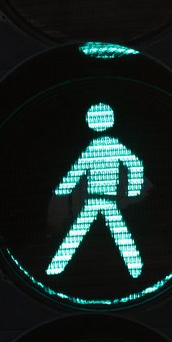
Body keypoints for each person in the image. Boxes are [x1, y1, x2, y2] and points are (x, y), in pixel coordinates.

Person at [49, 102, 146, 277]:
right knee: (117, 234)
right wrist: (133, 191)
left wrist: (62, 190)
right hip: (101, 199)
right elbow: (135, 164)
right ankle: (136, 270)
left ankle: (56, 269)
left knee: (78, 234)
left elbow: (77, 170)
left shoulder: (98, 146)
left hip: (99, 199)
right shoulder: (107, 146)